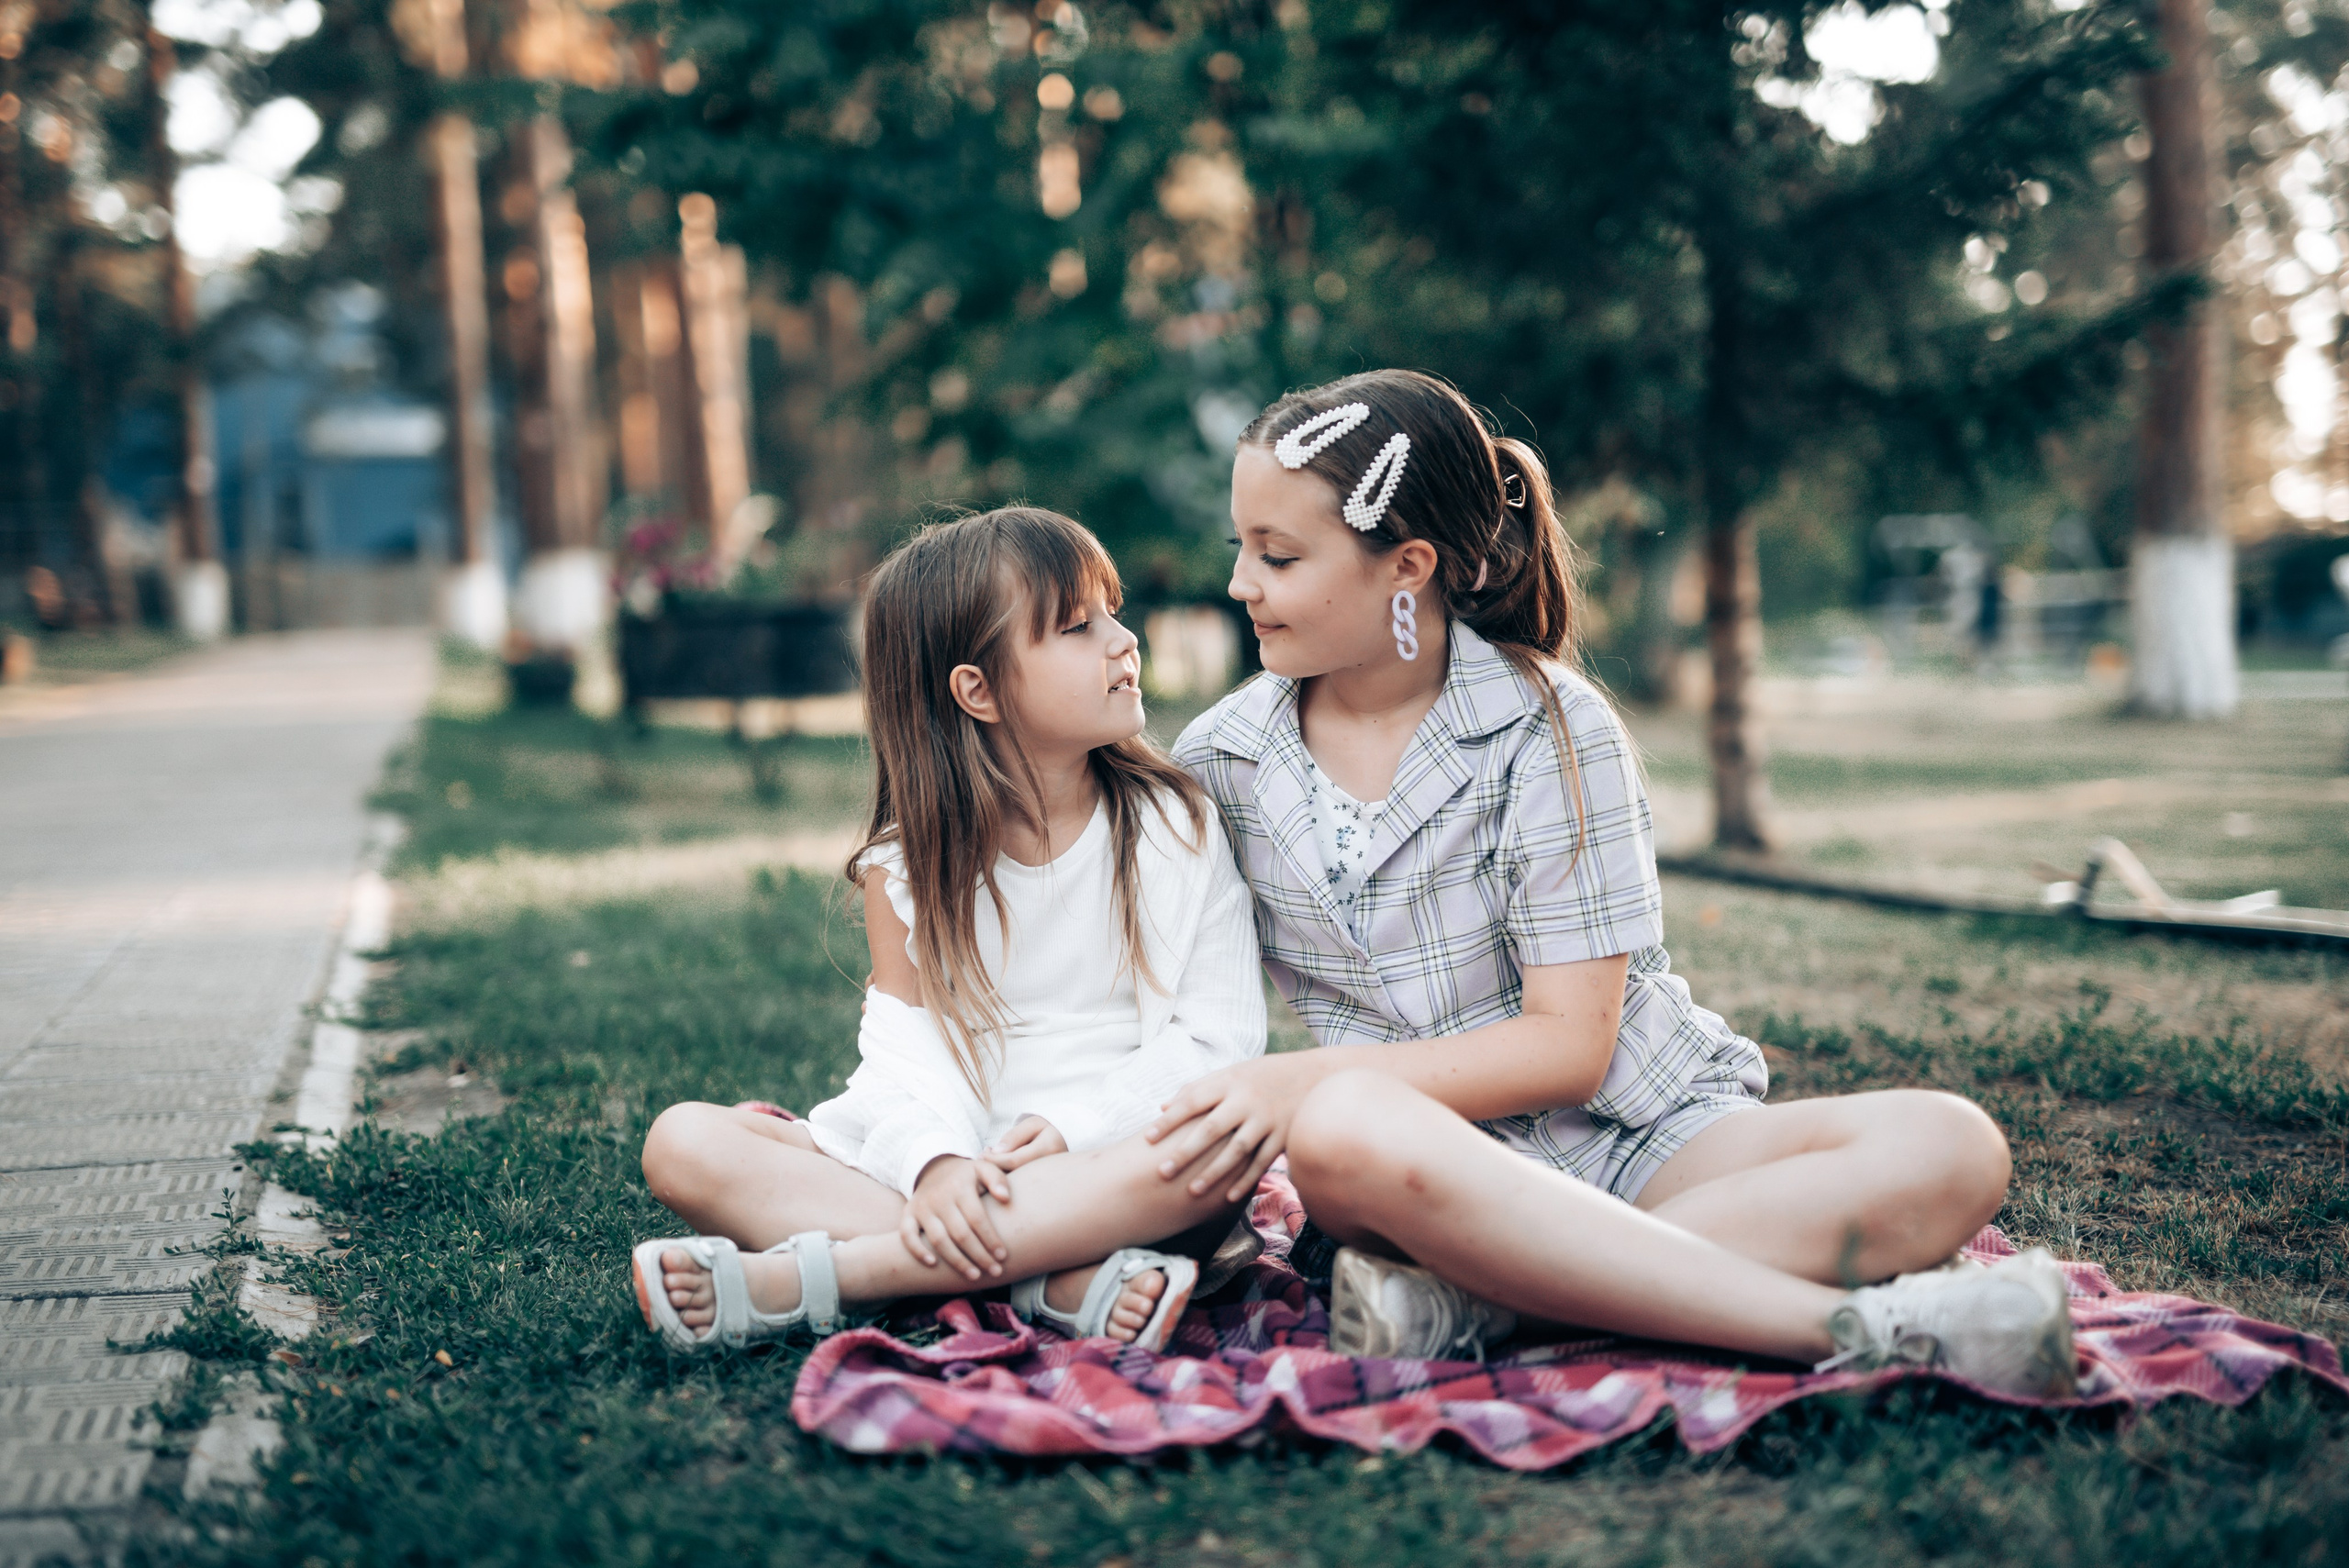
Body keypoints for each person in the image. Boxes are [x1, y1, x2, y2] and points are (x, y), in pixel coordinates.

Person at [1159, 370, 2076, 1395]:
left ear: (1405, 567)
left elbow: (1569, 1046)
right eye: (1241, 546)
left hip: (1651, 1135)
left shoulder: (1551, 724)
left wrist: (1296, 1078)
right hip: (1423, 1170)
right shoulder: (1221, 758)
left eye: (1277, 555)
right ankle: (1852, 1323)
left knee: (1951, 1146)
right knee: (1338, 1125)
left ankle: (1494, 1301)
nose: (1240, 581)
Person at [631, 508, 1265, 1353]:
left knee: (1216, 1153)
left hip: (1118, 1159)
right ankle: (1051, 1281)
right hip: (959, 1157)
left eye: (1113, 613)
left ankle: (834, 1276)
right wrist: (935, 1164)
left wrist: (1079, 1125)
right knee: (683, 1140)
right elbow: (904, 1048)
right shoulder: (907, 868)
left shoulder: (1177, 824)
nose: (1125, 641)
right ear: (978, 691)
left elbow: (1221, 1039)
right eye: (1080, 628)